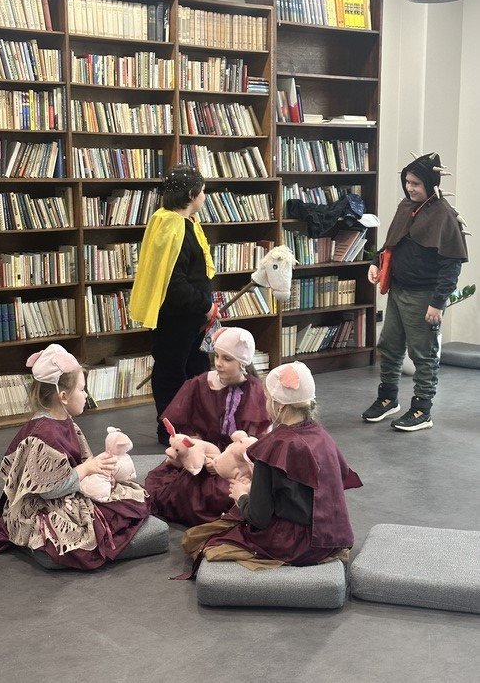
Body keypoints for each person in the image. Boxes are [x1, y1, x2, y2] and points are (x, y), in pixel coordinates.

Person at [0, 344, 150, 570]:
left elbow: (78, 459)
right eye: (82, 390)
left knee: (128, 498)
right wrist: (86, 470)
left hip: (66, 489)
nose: (86, 395)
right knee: (105, 519)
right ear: (63, 396)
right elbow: (50, 489)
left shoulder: (63, 421)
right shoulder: (45, 434)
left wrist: (97, 469)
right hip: (45, 503)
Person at [182, 361, 362, 569]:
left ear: (280, 406)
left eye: (267, 398)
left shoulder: (273, 447)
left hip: (295, 544)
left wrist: (241, 496)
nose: (265, 403)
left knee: (199, 538)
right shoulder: (323, 438)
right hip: (331, 537)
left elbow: (258, 517)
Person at [362, 152, 469, 431]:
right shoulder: (406, 207)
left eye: (416, 183)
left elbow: (451, 266)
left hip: (424, 297)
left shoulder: (444, 216)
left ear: (431, 183)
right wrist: (376, 263)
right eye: (407, 182)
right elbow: (392, 242)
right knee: (389, 346)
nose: (410, 188)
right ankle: (388, 399)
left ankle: (422, 410)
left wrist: (437, 302)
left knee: (423, 354)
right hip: (398, 290)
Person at [145, 327, 270, 526]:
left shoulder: (256, 392)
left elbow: (255, 443)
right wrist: (203, 456)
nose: (218, 363)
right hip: (203, 457)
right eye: (217, 356)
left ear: (243, 363)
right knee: (189, 494)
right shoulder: (201, 384)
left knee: (230, 494)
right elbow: (188, 428)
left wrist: (226, 462)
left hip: (237, 463)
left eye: (227, 359)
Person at [129, 163, 218, 445]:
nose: (204, 197)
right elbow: (174, 283)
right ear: (191, 194)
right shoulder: (171, 226)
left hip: (191, 317)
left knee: (196, 371)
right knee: (172, 373)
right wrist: (205, 305)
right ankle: (170, 430)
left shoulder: (183, 222)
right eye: (202, 191)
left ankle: (191, 425)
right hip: (177, 318)